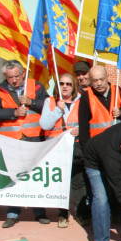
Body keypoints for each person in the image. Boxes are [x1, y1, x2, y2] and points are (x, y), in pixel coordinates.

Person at [0, 60, 49, 227]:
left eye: (16, 76)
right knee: (12, 178)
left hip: (34, 138)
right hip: (11, 141)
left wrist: (32, 102)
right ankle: (12, 213)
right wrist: (13, 112)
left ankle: (39, 212)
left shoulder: (36, 86)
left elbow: (49, 106)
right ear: (5, 77)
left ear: (23, 74)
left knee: (35, 176)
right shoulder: (0, 90)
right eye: (10, 77)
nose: (14, 80)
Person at [39, 73, 84, 228]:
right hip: (57, 148)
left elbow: (88, 122)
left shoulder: (81, 101)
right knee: (61, 183)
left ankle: (79, 212)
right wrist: (58, 110)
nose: (65, 86)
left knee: (78, 181)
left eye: (68, 84)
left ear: (74, 87)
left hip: (77, 146)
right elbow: (45, 124)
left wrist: (81, 130)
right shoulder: (50, 102)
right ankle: (62, 214)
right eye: (62, 83)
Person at [78, 65, 121, 147]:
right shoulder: (86, 96)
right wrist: (86, 150)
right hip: (98, 145)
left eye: (101, 79)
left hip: (119, 143)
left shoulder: (118, 91)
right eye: (95, 80)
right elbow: (83, 127)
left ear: (107, 77)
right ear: (90, 81)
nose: (99, 83)